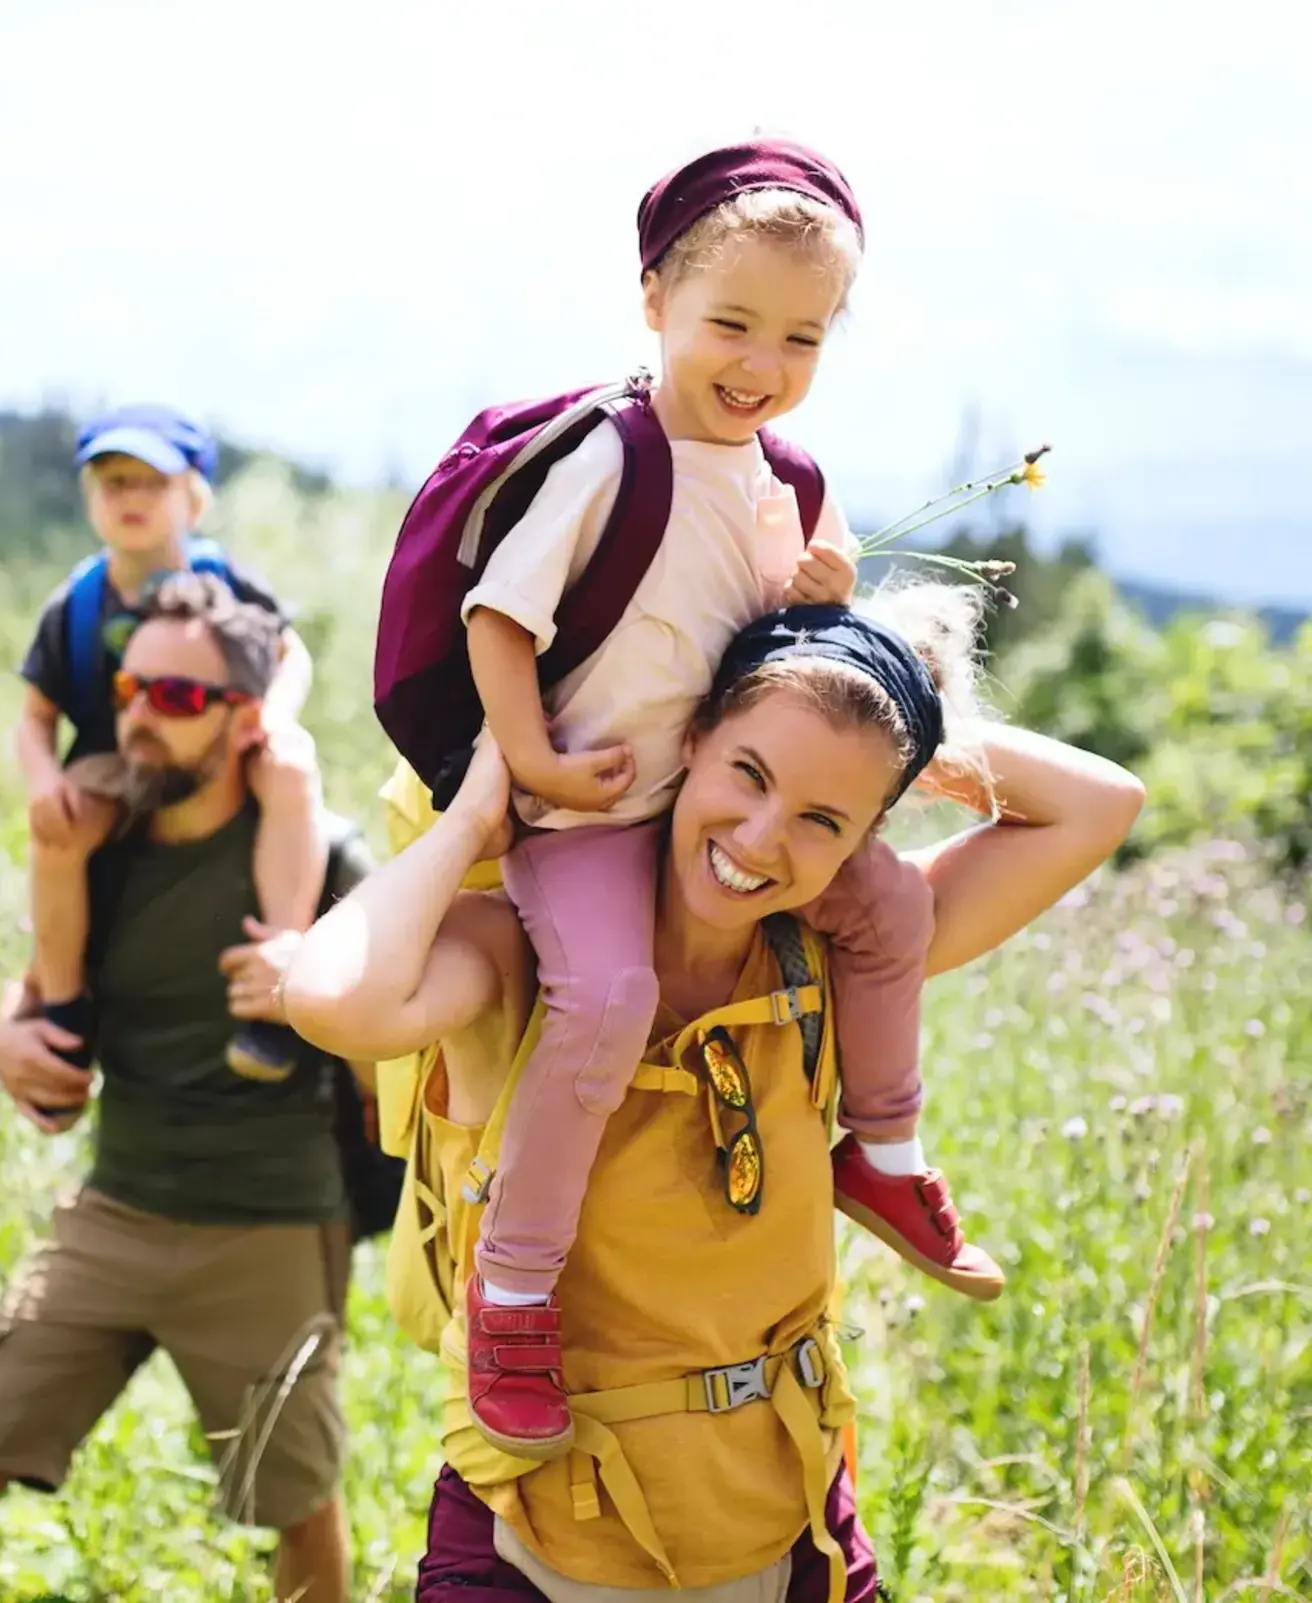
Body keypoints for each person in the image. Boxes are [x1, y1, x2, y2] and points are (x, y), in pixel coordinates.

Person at [286, 589, 1145, 1601]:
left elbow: (1102, 804)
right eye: (749, 771)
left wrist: (883, 708)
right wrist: (478, 810)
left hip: (790, 1535)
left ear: (862, 836)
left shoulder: (834, 960)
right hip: (533, 1542)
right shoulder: (520, 951)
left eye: (824, 818)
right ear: (687, 737)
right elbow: (334, 1000)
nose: (763, 837)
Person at [398, 138, 1000, 1460]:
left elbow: (774, 664)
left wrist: (821, 595)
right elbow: (501, 616)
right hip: (596, 815)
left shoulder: (791, 482)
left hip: (724, 813)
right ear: (654, 300)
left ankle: (881, 1149)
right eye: (730, 321)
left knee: (889, 903)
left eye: (802, 336)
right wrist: (533, 767)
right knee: (604, 999)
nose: (761, 362)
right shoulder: (612, 457)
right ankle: (513, 1289)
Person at [0, 575, 373, 1603]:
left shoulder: (323, 858)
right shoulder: (100, 845)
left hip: (270, 1226)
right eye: (131, 688)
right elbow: (37, 987)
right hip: (115, 1213)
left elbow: (403, 1024)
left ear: (247, 720)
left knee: (297, 1505)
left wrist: (321, 996)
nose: (142, 717)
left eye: (180, 698)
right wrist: (1, 1039)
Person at [15, 403, 327, 1089]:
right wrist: (44, 780)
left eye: (151, 483)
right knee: (59, 834)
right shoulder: (77, 603)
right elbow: (35, 715)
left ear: (194, 497)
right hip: (115, 756)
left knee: (291, 767)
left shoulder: (228, 581)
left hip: (222, 742)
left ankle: (277, 972)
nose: (131, 499)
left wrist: (273, 714)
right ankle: (64, 1008)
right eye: (112, 482)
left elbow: (289, 653)